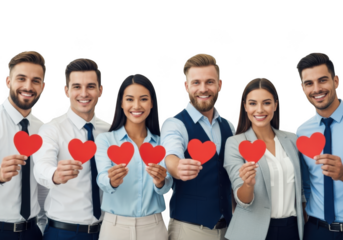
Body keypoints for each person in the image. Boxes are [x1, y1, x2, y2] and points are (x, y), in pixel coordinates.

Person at [33, 57, 110, 240]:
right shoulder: (52, 129)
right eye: (76, 87)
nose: (84, 93)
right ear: (66, 91)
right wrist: (54, 174)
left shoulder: (109, 132)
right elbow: (41, 166)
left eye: (90, 86)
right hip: (63, 233)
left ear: (100, 90)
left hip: (105, 231)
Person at [160, 53, 235, 240]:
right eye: (196, 83)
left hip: (229, 230)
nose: (203, 89)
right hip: (189, 231)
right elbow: (171, 153)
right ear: (186, 86)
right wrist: (177, 167)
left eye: (209, 82)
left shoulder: (230, 127)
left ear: (220, 84)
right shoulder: (174, 124)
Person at [224, 77, 305, 240]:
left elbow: (302, 190)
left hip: (292, 229)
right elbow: (242, 199)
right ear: (245, 106)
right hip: (252, 232)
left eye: (266, 103)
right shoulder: (235, 143)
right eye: (253, 103)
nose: (259, 110)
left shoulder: (293, 140)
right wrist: (248, 184)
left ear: (275, 105)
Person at [94, 73, 172, 240]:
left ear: (152, 103)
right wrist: (111, 181)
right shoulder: (106, 140)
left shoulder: (162, 143)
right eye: (130, 99)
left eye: (143, 99)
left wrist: (160, 182)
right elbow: (102, 179)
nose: (136, 106)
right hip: (114, 227)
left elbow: (167, 185)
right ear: (121, 103)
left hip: (154, 227)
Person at [0, 50, 49, 240]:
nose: (28, 86)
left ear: (43, 87)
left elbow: (42, 187)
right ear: (8, 81)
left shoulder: (43, 130)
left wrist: (42, 228)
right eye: (21, 78)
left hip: (33, 232)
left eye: (35, 81)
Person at [296, 52, 343, 239]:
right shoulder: (302, 132)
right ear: (302, 88)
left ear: (336, 81)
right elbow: (305, 183)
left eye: (322, 80)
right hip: (317, 231)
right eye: (309, 83)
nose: (316, 89)